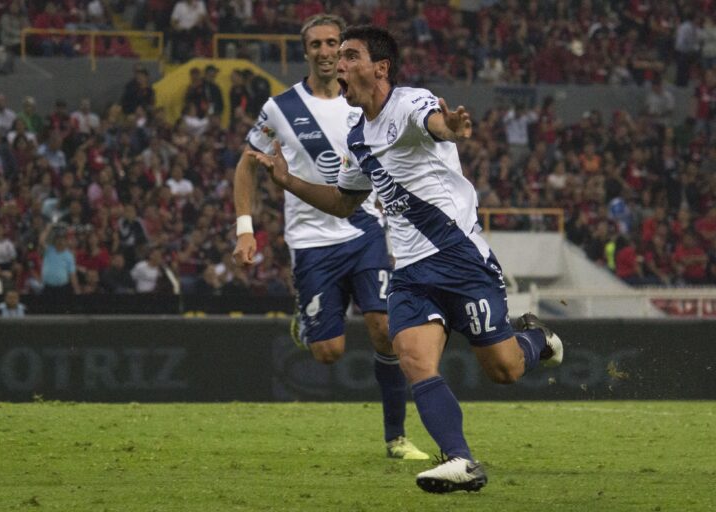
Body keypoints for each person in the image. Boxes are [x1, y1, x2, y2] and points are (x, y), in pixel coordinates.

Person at [247, 24, 564, 494]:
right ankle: (461, 460)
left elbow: (434, 123)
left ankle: (537, 339)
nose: (338, 63)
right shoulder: (357, 136)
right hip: (411, 272)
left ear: (380, 68)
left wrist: (449, 127)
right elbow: (343, 203)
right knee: (414, 360)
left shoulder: (411, 103)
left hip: (460, 258)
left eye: (350, 55)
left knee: (505, 370)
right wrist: (288, 181)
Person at [232, 14, 428, 462]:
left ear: (344, 51)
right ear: (305, 51)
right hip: (311, 240)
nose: (325, 52)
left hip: (363, 229)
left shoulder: (365, 100)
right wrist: (245, 230)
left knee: (385, 331)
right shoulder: (281, 108)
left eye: (333, 44)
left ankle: (396, 438)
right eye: (316, 44)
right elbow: (247, 163)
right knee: (328, 352)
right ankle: (307, 322)